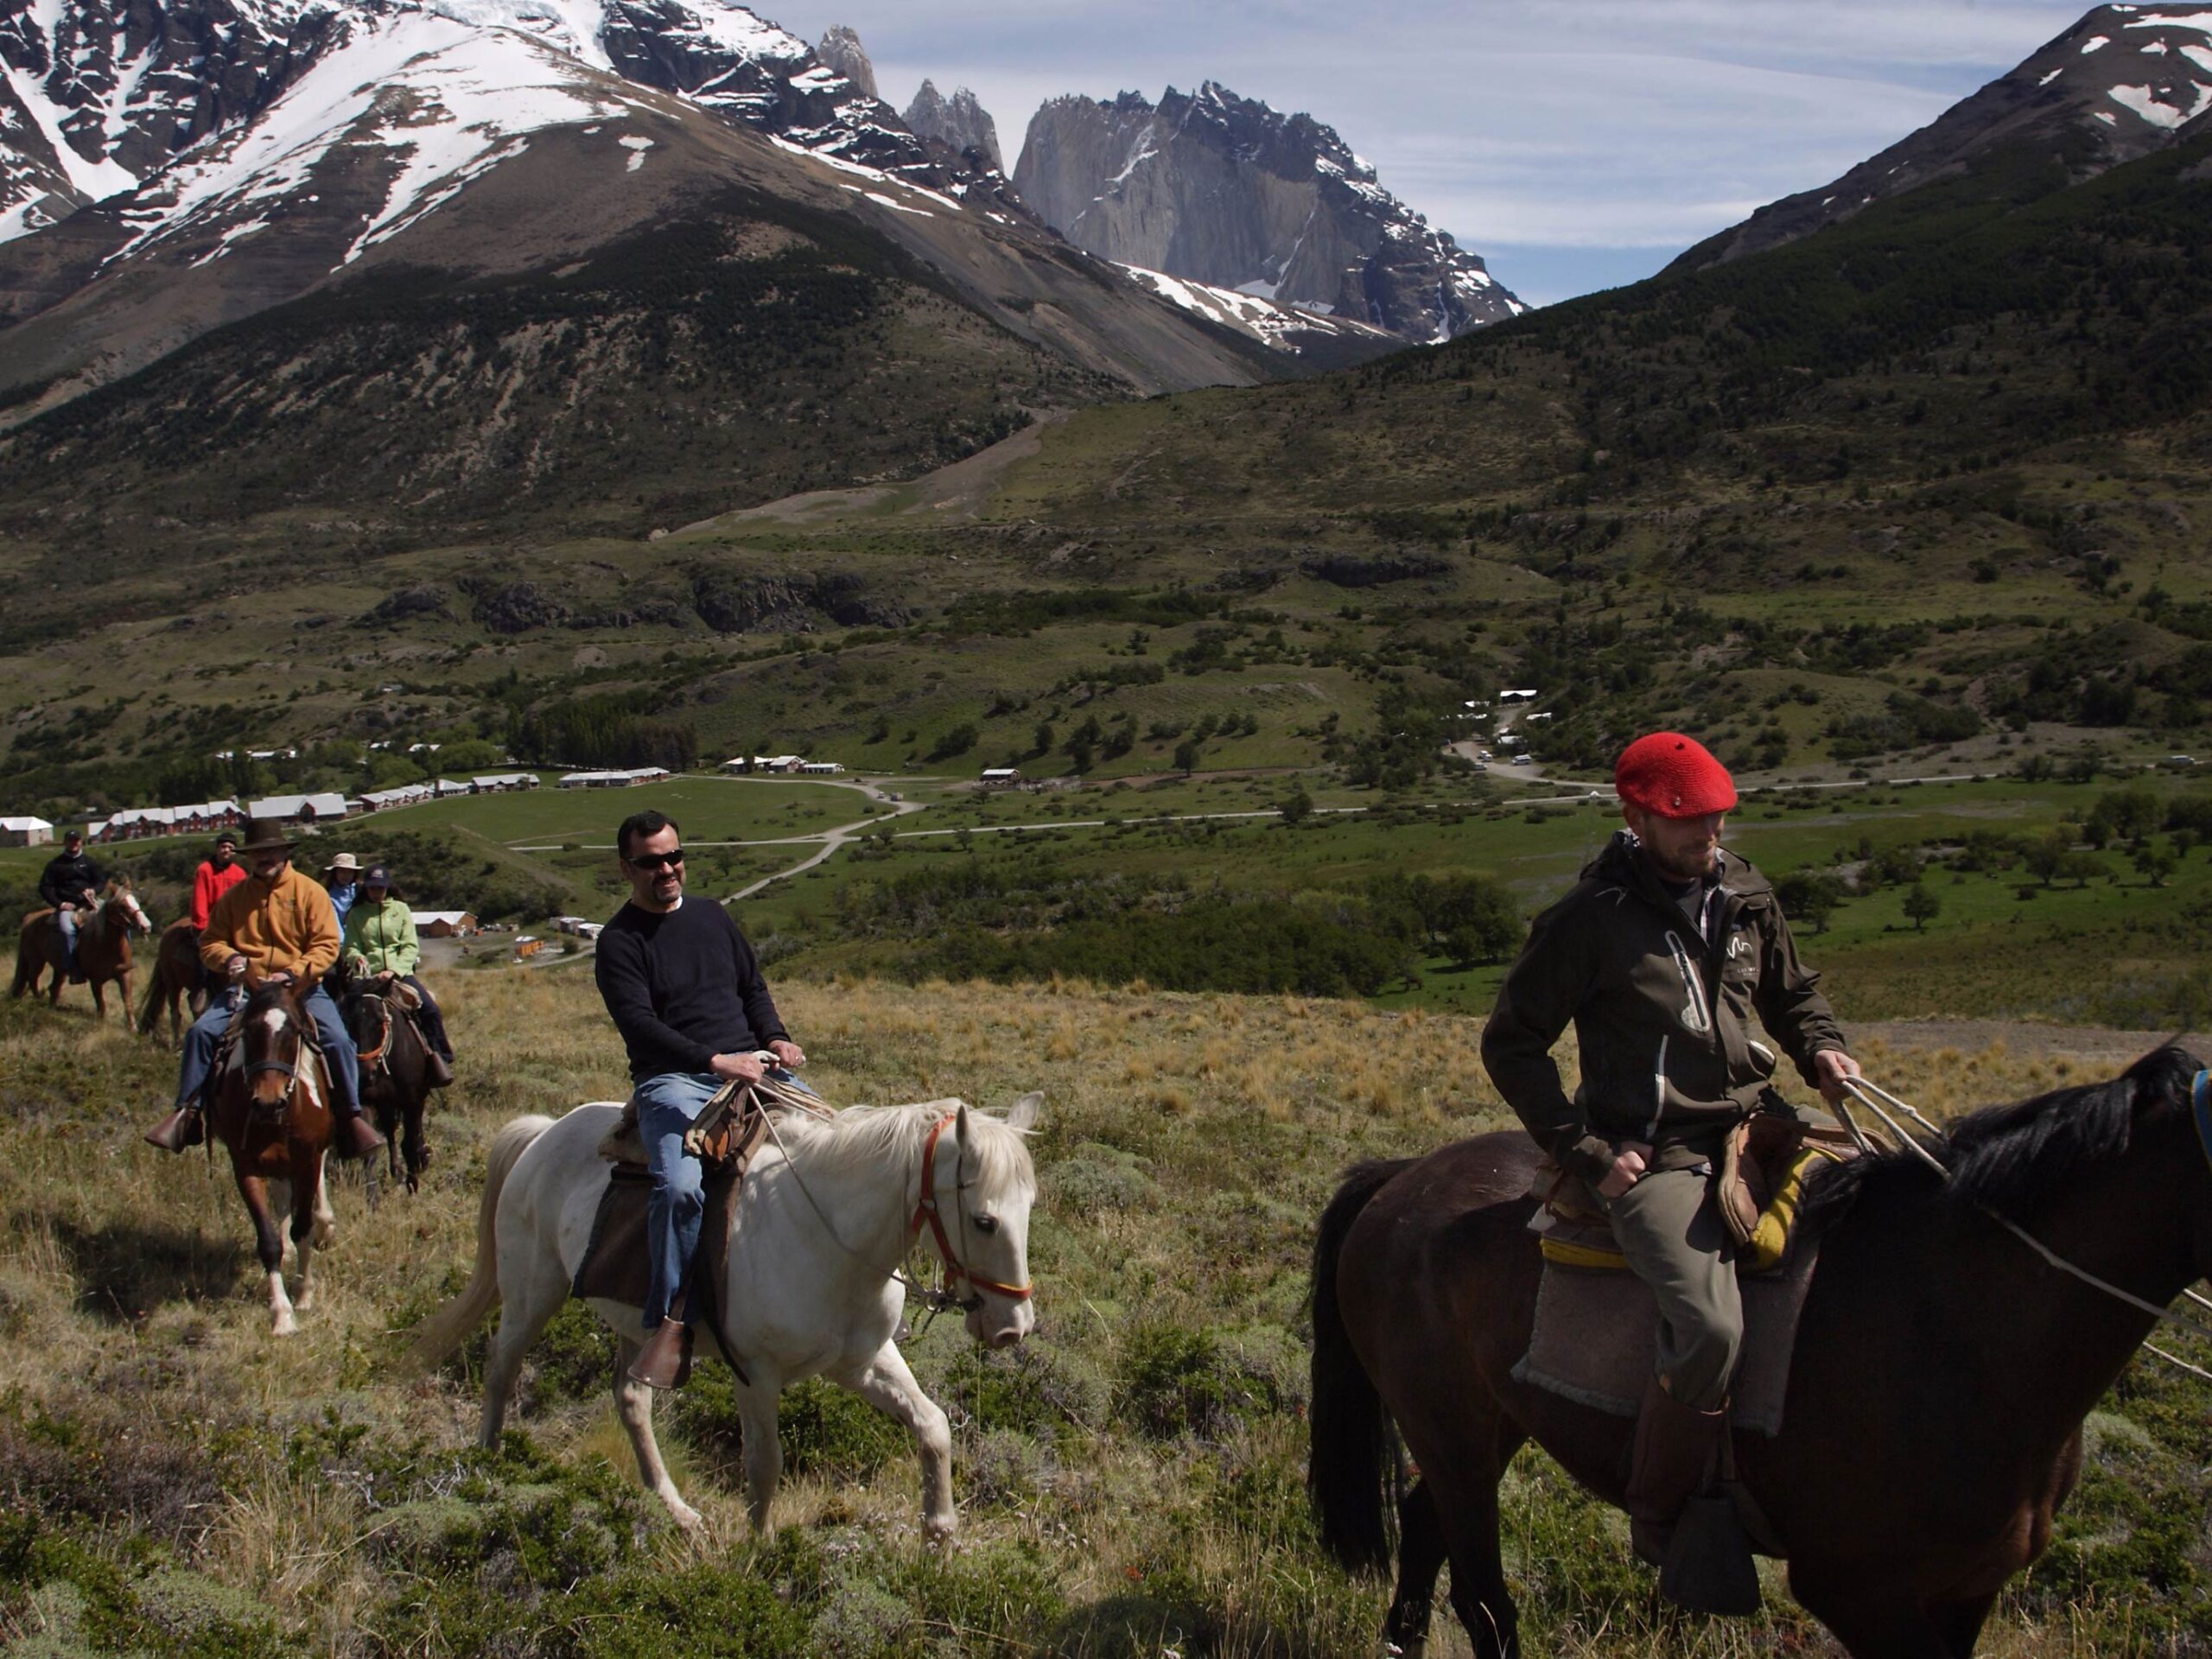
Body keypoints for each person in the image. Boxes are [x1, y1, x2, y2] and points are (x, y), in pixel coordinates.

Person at [1479, 731, 1861, 1571]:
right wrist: (1583, 1150)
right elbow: (1510, 1046)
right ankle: (1660, 1518)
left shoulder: (1743, 892)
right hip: (1655, 1152)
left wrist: (1822, 1049)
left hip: (1759, 1119)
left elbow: (1790, 995)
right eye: (1688, 823)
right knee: (1709, 1328)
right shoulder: (1587, 923)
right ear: (1637, 817)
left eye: (1716, 822)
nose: (1707, 839)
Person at [594, 808, 804, 1389]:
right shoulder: (618, 942)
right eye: (650, 861)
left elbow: (751, 988)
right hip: (674, 1080)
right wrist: (714, 1061)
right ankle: (669, 1318)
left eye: (673, 857)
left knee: (830, 1147)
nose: (666, 869)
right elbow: (639, 1025)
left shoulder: (713, 917)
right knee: (681, 1187)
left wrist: (775, 1037)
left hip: (752, 1068)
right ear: (626, 869)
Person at [143, 818, 385, 1159]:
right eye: (257, 853)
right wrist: (229, 959)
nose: (264, 857)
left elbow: (327, 945)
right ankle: (187, 1113)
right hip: (247, 989)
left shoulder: (310, 892)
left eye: (271, 851)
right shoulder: (234, 898)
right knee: (199, 1033)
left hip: (300, 989)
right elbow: (210, 942)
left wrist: (295, 970)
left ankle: (350, 1118)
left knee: (339, 1041)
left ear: (284, 852)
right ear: (247, 857)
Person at [340, 864, 454, 1087]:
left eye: (381, 888)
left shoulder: (401, 910)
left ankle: (439, 1059)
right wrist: (357, 958)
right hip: (366, 978)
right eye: (373, 888)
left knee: (430, 1009)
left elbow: (410, 946)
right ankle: (341, 1067)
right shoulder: (356, 914)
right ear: (366, 888)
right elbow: (351, 946)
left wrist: (394, 971)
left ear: (388, 887)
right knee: (344, 1013)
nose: (377, 892)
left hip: (399, 975)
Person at [36, 829, 104, 982]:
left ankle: (123, 959)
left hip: (89, 904)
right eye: (70, 841)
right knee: (67, 931)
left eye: (76, 840)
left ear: (81, 842)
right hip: (69, 906)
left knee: (118, 915)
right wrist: (60, 904)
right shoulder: (55, 865)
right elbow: (45, 888)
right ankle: (72, 968)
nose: (74, 844)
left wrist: (93, 890)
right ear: (65, 842)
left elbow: (101, 881)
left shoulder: (89, 862)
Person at [190, 830, 246, 932]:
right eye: (223, 847)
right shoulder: (204, 870)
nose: (227, 850)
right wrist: (203, 925)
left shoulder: (240, 873)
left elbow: (242, 901)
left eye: (231, 848)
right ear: (217, 849)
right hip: (210, 922)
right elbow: (200, 899)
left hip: (232, 923)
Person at [324, 852, 361, 932]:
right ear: (335, 873)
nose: (346, 875)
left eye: (350, 872)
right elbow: (335, 924)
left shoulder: (360, 890)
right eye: (342, 871)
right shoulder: (329, 895)